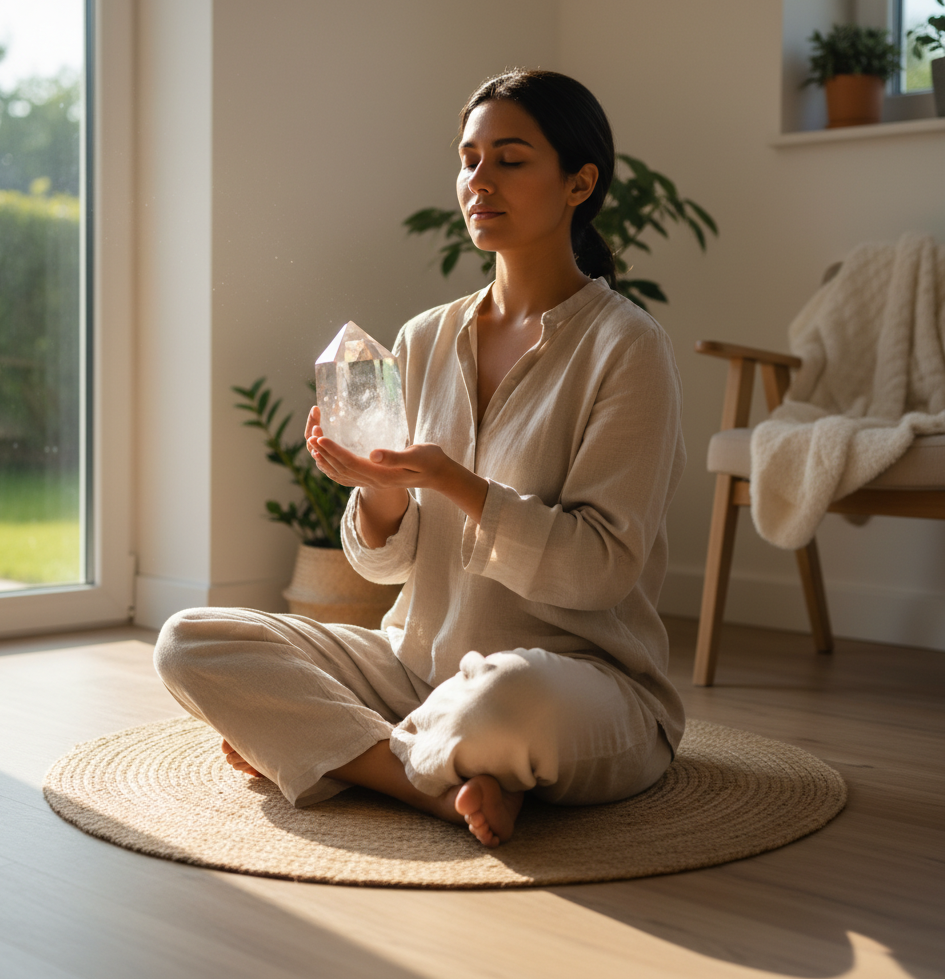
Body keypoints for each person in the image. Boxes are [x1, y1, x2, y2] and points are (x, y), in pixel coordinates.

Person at [155, 69, 686, 848]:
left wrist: (452, 482)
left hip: (572, 683)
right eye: (469, 159)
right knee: (189, 641)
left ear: (580, 181)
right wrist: (379, 495)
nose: (479, 181)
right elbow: (385, 568)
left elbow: (602, 569)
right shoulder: (423, 337)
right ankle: (433, 784)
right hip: (414, 667)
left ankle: (351, 751)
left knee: (505, 699)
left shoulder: (627, 347)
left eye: (510, 159)